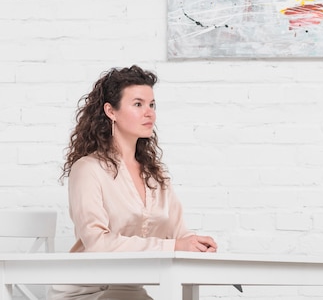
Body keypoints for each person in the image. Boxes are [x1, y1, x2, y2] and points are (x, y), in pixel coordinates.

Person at [49, 65, 217, 300]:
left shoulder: (156, 175)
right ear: (111, 111)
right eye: (138, 104)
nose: (149, 113)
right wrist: (174, 246)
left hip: (129, 292)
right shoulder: (88, 169)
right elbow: (97, 243)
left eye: (152, 105)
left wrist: (196, 244)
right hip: (87, 292)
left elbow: (179, 234)